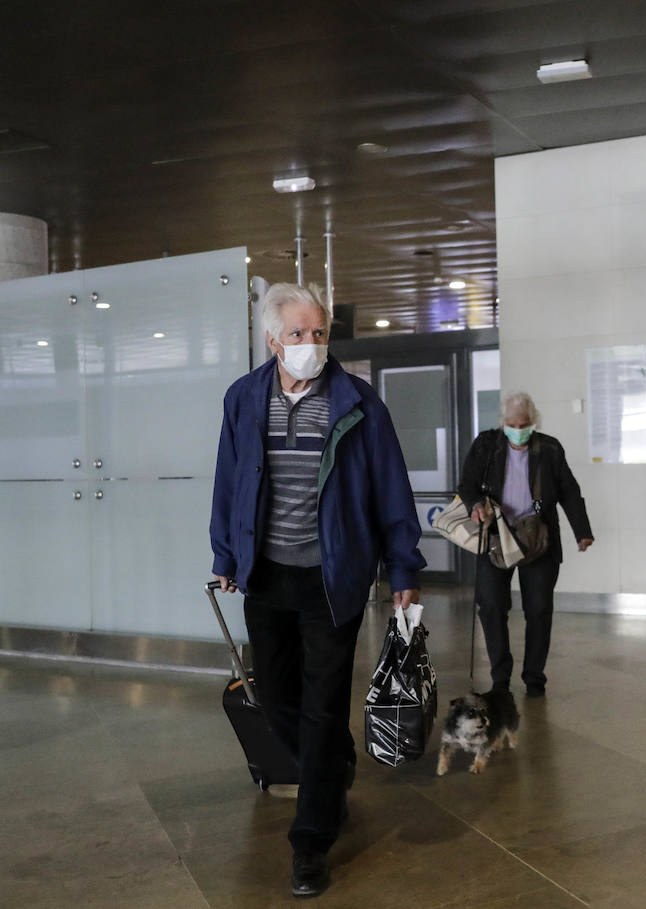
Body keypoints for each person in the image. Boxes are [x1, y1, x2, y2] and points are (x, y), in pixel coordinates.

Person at [209, 283, 425, 898]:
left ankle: (310, 841)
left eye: (320, 333)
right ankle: (333, 768)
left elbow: (390, 486)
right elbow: (229, 481)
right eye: (299, 334)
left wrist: (404, 568)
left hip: (334, 577)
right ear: (274, 339)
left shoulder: (358, 401)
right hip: (266, 576)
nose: (312, 345)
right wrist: (226, 553)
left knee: (324, 705)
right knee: (277, 701)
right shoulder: (244, 398)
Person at [458, 392, 593, 697]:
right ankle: (500, 679)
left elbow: (569, 491)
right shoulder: (486, 444)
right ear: (502, 423)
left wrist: (581, 530)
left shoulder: (549, 448)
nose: (518, 430)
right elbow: (466, 484)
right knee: (491, 606)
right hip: (496, 536)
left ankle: (534, 678)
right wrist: (475, 504)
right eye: (512, 424)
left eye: (525, 424)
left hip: (539, 537)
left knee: (539, 609)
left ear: (534, 422)